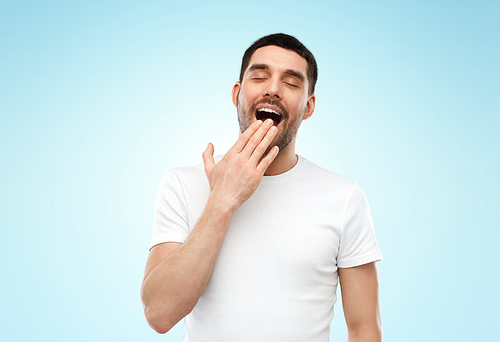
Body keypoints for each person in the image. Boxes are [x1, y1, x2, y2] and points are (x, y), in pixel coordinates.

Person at [141, 33, 382, 342]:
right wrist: (223, 200)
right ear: (237, 94)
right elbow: (159, 314)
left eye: (292, 83)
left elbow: (364, 330)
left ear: (308, 107)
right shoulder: (182, 184)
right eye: (260, 76)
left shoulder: (345, 197)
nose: (273, 89)